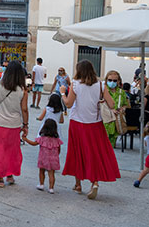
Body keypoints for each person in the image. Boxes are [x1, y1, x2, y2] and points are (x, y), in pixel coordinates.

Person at [60, 60, 120, 199]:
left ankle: (78, 184)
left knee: (77, 152)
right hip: (95, 124)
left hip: (77, 123)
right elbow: (111, 104)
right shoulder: (101, 85)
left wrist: (63, 93)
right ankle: (94, 182)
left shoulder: (75, 84)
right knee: (93, 153)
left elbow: (68, 104)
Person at [22, 118, 64, 194]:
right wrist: (57, 155)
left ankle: (41, 184)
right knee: (51, 173)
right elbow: (59, 149)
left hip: (43, 158)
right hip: (53, 159)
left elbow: (33, 143)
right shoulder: (57, 140)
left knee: (42, 171)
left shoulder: (42, 138)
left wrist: (25, 139)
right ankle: (51, 188)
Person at [103, 70, 130, 147]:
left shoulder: (121, 92)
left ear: (119, 81)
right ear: (106, 80)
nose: (112, 82)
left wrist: (122, 109)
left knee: (111, 147)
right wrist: (110, 110)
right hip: (104, 122)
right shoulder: (103, 91)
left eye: (115, 80)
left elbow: (126, 105)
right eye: (110, 80)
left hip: (116, 123)